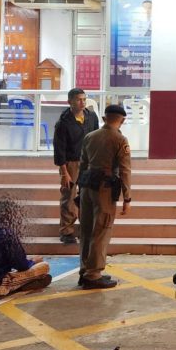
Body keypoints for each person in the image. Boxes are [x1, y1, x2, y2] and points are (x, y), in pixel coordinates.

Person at [76, 104, 132, 289]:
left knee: (86, 230)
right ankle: (93, 274)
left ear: (104, 118)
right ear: (122, 120)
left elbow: (82, 165)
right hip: (105, 189)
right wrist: (127, 198)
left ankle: (85, 270)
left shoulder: (90, 136)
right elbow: (125, 171)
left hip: (87, 186)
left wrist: (79, 191)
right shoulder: (120, 139)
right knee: (101, 230)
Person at [0, 199, 52, 297]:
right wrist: (33, 262)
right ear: (9, 216)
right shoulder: (7, 234)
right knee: (44, 266)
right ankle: (16, 286)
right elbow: (22, 265)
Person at [53, 88, 100, 245]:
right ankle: (66, 230)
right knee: (69, 196)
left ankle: (85, 229)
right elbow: (59, 150)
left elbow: (96, 139)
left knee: (87, 196)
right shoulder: (63, 123)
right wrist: (64, 173)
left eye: (84, 99)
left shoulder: (91, 117)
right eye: (79, 99)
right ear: (70, 102)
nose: (82, 102)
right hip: (71, 163)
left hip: (88, 161)